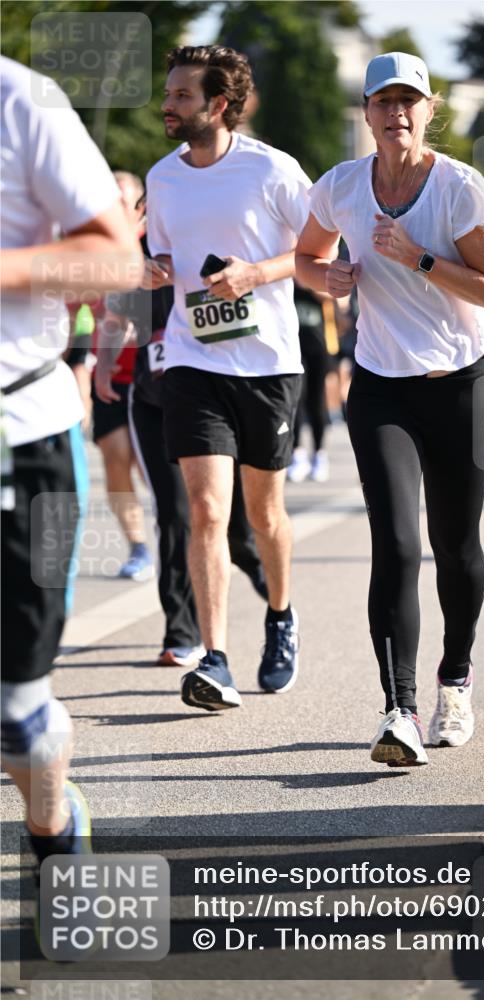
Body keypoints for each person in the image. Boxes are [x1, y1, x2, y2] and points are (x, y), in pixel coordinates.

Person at [296, 52, 484, 766]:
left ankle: (455, 679)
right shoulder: (340, 186)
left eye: (408, 102)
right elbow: (304, 257)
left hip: (460, 384)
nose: (396, 115)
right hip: (381, 385)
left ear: (429, 108)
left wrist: (418, 256)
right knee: (393, 545)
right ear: (366, 112)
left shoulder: (458, 187)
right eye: (382, 102)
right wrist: (324, 277)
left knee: (456, 546)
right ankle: (399, 710)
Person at [1, 57, 141, 867]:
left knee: (17, 708)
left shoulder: (24, 102)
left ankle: (55, 828)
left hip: (22, 434)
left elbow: (116, 259)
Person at [144, 45, 310, 708]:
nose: (169, 104)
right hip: (192, 358)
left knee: (264, 514)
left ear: (217, 105)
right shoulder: (162, 177)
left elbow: (320, 249)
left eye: (183, 95)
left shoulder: (271, 170)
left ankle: (280, 617)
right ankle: (214, 658)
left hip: (267, 363)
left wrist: (254, 272)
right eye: (169, 92)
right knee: (207, 509)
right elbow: (161, 251)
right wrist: (156, 268)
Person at [96, 192, 268, 669]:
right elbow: (115, 317)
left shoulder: (211, 251)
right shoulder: (136, 257)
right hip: (152, 399)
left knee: (226, 516)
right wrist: (105, 365)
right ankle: (182, 631)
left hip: (213, 400)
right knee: (175, 513)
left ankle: (255, 562)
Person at [85, 171, 154, 582]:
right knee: (115, 461)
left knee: (150, 467)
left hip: (152, 372)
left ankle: (175, 532)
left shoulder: (155, 246)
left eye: (121, 202)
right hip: (108, 375)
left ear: (139, 209)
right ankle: (138, 546)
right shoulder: (94, 251)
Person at [287, 284, 332, 483]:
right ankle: (298, 453)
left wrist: (306, 279)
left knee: (317, 402)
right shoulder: (283, 267)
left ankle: (319, 454)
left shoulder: (313, 264)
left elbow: (333, 297)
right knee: (295, 400)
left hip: (318, 344)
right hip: (292, 346)